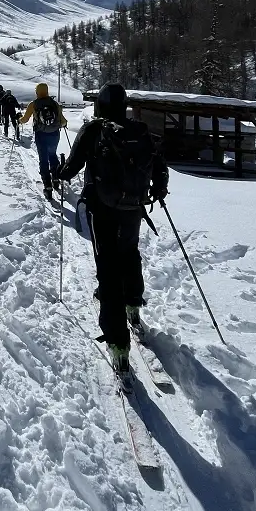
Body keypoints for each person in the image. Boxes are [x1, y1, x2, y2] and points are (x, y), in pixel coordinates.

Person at [57, 82, 169, 376]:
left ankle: (119, 344)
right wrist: (158, 190)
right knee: (129, 253)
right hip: (133, 208)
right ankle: (133, 304)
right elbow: (158, 167)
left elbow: (72, 166)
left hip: (101, 208)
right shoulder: (139, 131)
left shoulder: (94, 129)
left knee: (107, 268)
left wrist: (60, 173)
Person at [18, 83, 67, 198]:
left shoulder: (33, 104)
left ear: (37, 92)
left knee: (43, 159)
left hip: (41, 135)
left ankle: (48, 187)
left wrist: (19, 120)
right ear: (47, 91)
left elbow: (25, 120)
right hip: (55, 134)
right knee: (52, 155)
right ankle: (55, 180)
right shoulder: (54, 104)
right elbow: (63, 121)